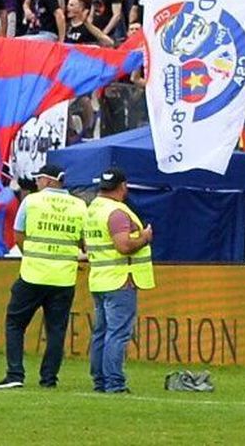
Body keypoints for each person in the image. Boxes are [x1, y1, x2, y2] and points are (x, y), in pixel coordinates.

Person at [0, 163, 86, 390]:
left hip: (33, 274)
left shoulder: (31, 201)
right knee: (56, 330)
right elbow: (84, 243)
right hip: (63, 278)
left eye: (39, 178)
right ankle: (49, 379)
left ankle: (15, 373)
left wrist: (33, 256)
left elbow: (18, 235)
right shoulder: (79, 205)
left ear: (49, 180)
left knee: (15, 323)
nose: (36, 183)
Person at [85, 168, 155, 394]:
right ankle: (114, 383)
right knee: (117, 334)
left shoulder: (93, 209)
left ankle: (100, 381)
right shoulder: (116, 213)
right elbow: (124, 245)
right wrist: (144, 237)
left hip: (99, 279)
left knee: (101, 333)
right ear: (123, 186)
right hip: (119, 280)